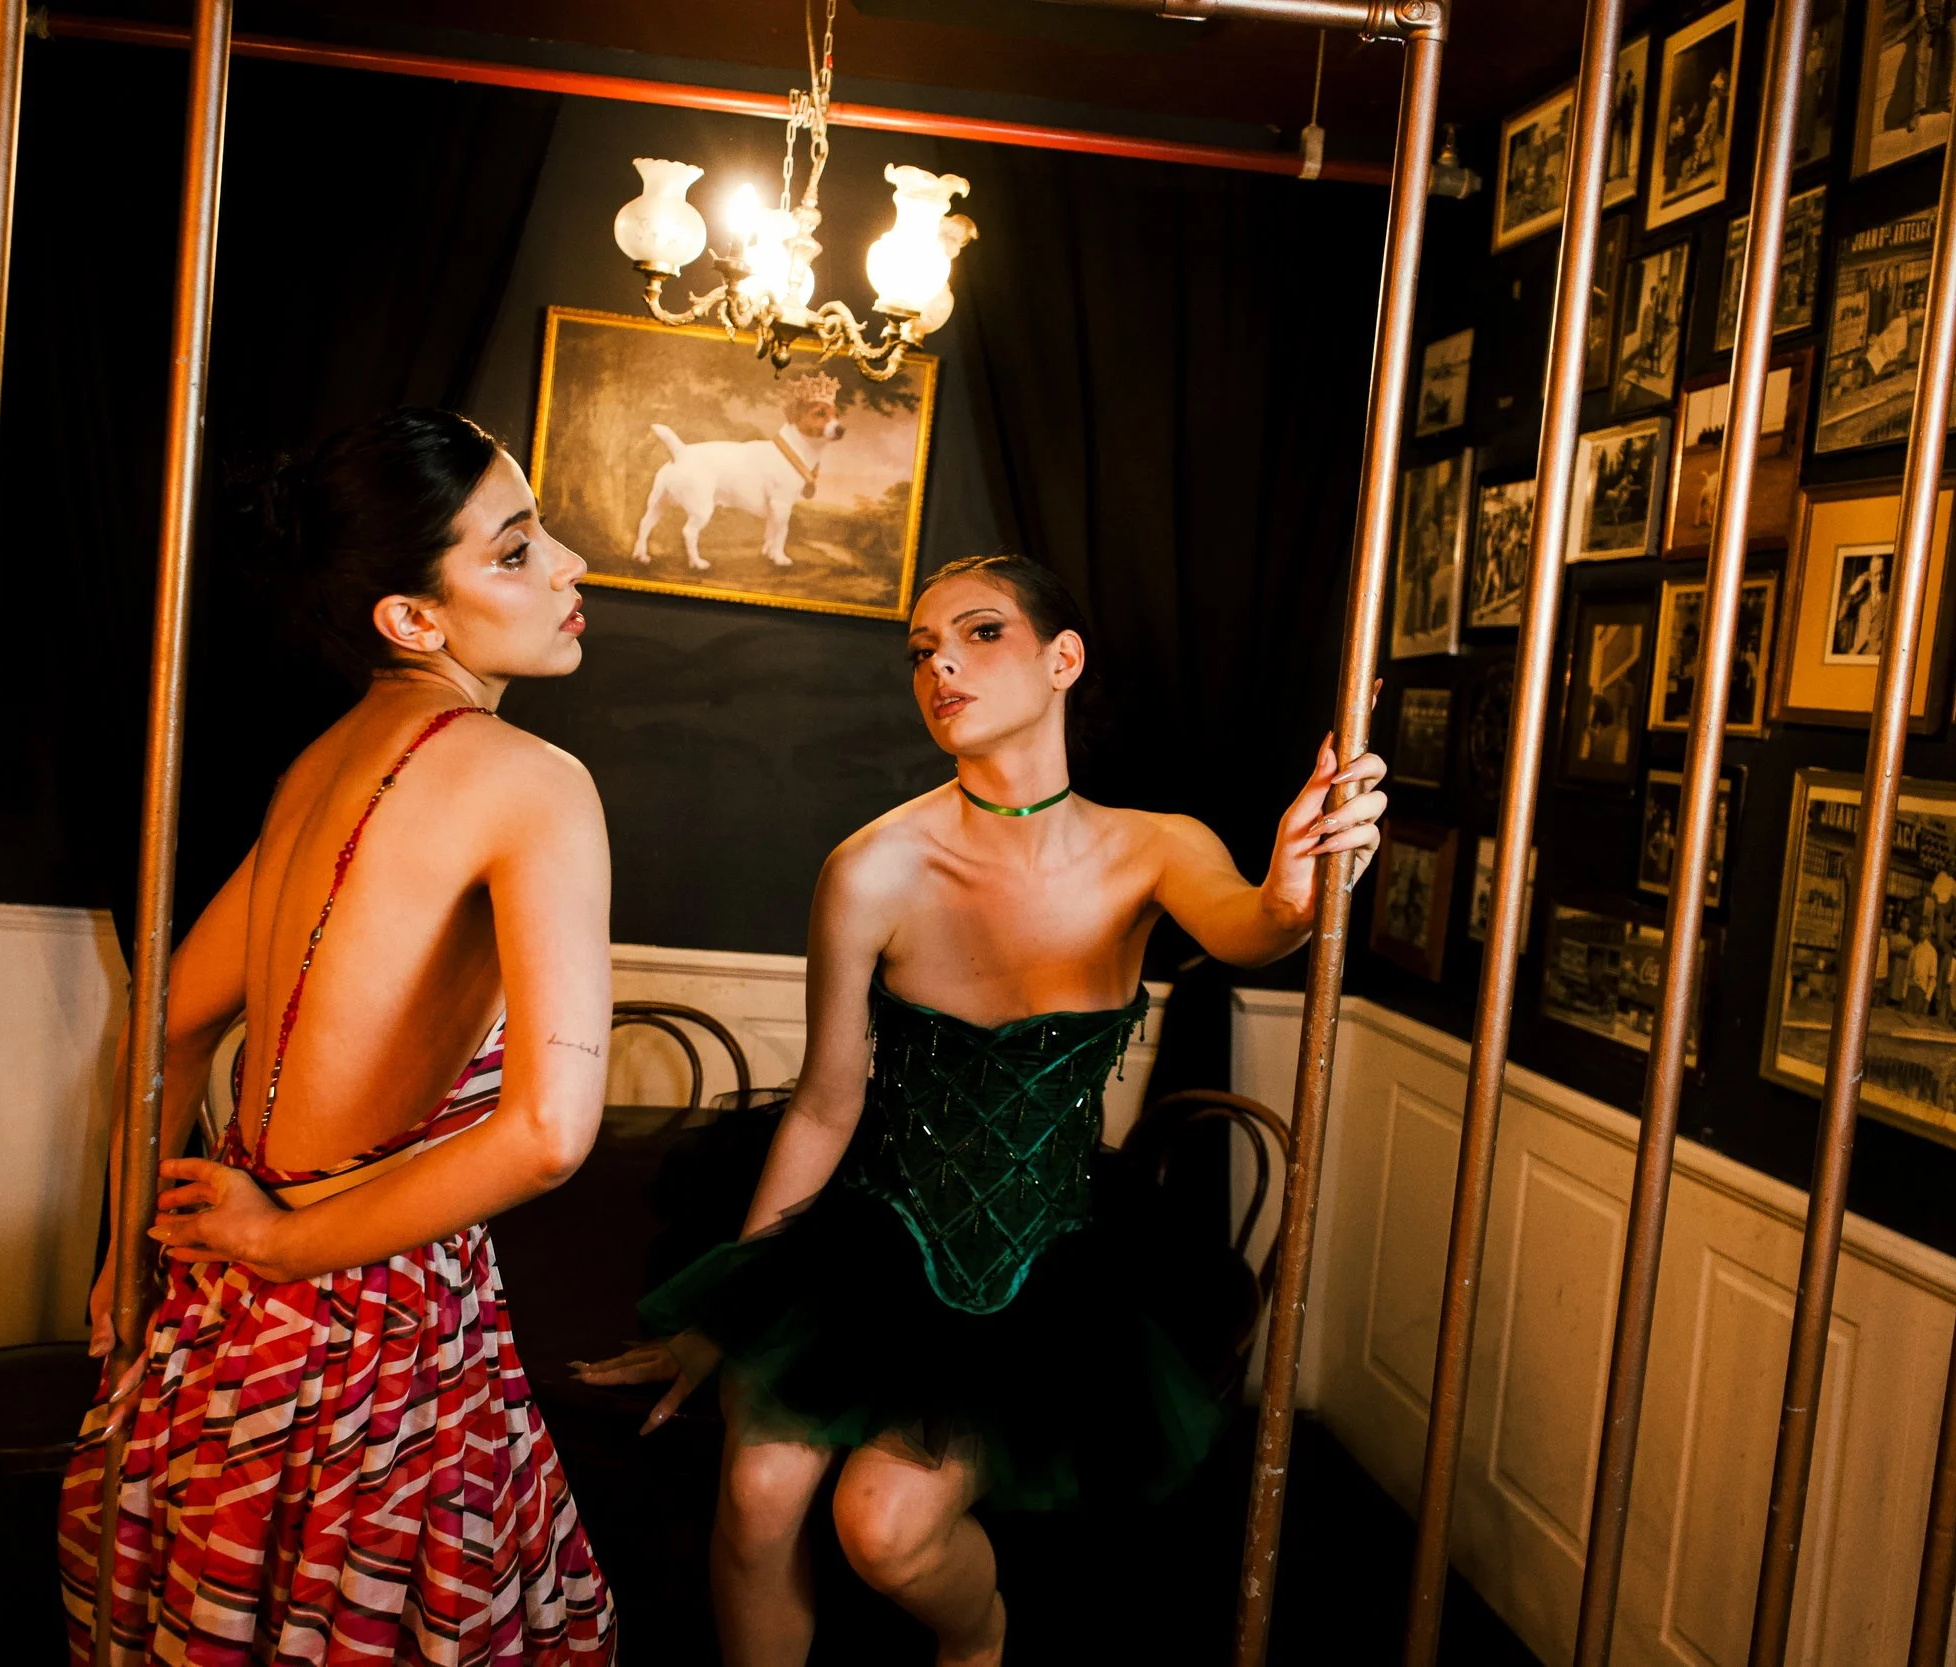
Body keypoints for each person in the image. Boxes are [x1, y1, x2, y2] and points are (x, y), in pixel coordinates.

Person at [575, 554, 1386, 1666]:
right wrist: (733, 1301)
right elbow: (823, 1104)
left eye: (978, 632)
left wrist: (1297, 886)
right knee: (759, 1495)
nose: (940, 662)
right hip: (863, 1234)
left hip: (1040, 1261)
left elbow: (1257, 927)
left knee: (883, 1528)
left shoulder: (1157, 845)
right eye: (920, 648)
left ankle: (978, 1646)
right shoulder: (873, 863)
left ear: (1064, 658)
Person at [56, 408, 617, 1664]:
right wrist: (289, 1234)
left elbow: (168, 1023)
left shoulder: (318, 764)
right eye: (517, 550)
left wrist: (136, 1247)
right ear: (411, 618)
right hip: (375, 1340)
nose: (570, 566)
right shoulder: (533, 780)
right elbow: (549, 1132)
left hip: (216, 1330)